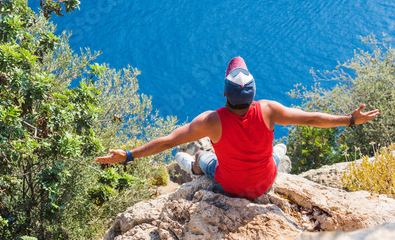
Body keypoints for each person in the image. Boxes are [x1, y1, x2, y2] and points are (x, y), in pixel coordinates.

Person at [95, 57, 379, 200]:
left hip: (230, 185)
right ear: (253, 94)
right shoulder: (269, 110)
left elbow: (168, 140)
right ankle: (279, 152)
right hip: (265, 181)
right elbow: (312, 118)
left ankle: (190, 166)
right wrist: (350, 119)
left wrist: (129, 155)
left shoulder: (211, 121)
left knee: (201, 159)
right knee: (274, 154)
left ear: (224, 93)